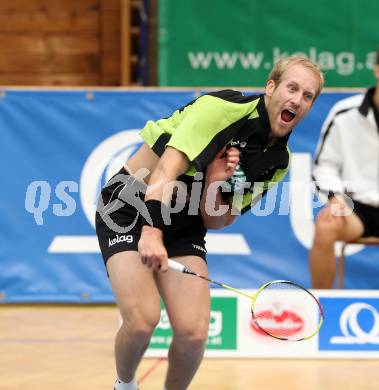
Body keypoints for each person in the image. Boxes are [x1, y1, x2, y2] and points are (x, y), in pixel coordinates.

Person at [96, 56, 324, 390]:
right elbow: (164, 172)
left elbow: (216, 220)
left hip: (185, 222)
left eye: (307, 96)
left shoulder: (277, 161)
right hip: (131, 208)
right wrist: (151, 231)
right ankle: (125, 385)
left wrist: (215, 182)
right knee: (144, 320)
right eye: (292, 88)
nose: (297, 100)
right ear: (270, 88)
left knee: (193, 335)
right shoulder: (221, 109)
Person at [309, 48, 379, 289]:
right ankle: (322, 308)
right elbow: (324, 167)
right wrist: (336, 197)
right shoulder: (344, 113)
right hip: (356, 209)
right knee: (326, 224)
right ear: (377, 70)